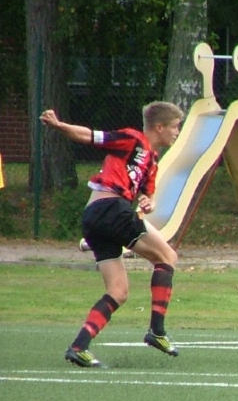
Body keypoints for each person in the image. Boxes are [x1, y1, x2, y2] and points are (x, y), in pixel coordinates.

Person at [40, 102, 184, 368]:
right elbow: (90, 136)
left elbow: (149, 194)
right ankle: (157, 331)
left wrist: (148, 202)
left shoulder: (151, 161)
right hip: (110, 208)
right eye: (175, 126)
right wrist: (59, 126)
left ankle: (79, 347)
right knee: (167, 257)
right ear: (159, 127)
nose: (177, 132)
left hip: (95, 218)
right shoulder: (133, 140)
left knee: (118, 291)